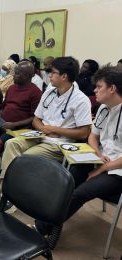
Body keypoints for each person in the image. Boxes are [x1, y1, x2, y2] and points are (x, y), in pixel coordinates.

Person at [37, 65, 122, 236]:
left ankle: (43, 229)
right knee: (66, 181)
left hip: (117, 170)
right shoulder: (104, 108)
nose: (94, 90)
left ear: (112, 89)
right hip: (102, 159)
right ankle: (49, 221)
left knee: (80, 192)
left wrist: (102, 168)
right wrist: (97, 153)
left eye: (99, 87)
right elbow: (92, 135)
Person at [1, 57, 92, 176]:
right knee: (11, 144)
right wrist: (43, 129)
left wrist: (54, 129)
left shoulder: (81, 100)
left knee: (24, 157)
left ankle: (19, 186)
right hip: (39, 136)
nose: (49, 76)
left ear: (64, 76)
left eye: (53, 73)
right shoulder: (49, 93)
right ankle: (7, 186)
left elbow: (84, 132)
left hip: (58, 144)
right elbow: (36, 119)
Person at [0, 60, 42, 143]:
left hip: (18, 129)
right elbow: (4, 107)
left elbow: (34, 118)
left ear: (26, 76)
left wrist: (13, 125)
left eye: (16, 73)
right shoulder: (12, 88)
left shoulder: (35, 92)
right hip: (2, 123)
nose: (13, 76)